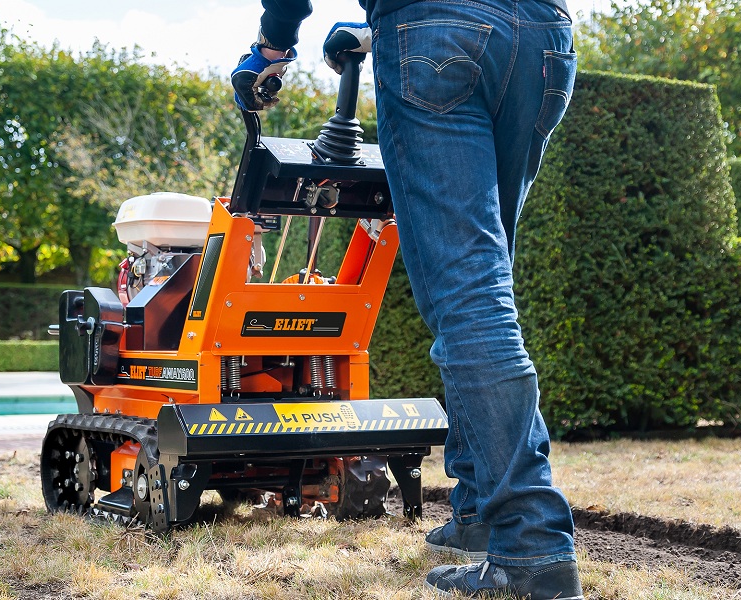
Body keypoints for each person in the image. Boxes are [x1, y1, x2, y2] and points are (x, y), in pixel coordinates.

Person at [233, 0, 581, 597]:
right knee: (482, 286)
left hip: (434, 36)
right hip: (544, 39)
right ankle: (477, 511)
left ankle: (531, 547)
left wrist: (272, 45)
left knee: (470, 296)